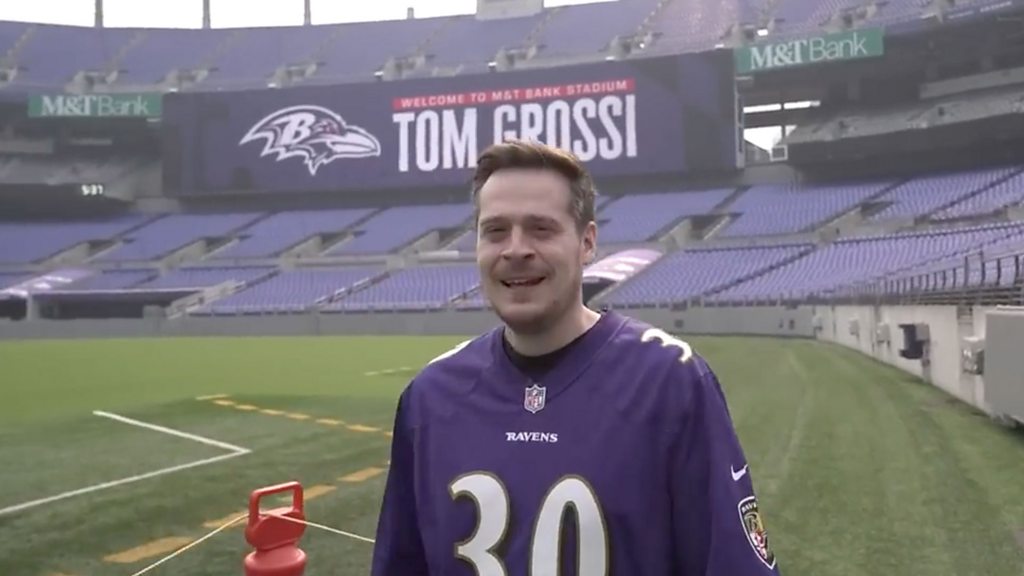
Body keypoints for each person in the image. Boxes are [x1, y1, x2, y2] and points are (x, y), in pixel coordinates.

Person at [371, 139, 781, 575]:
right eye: (495, 231)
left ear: (587, 243)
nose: (515, 249)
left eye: (541, 229)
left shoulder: (669, 382)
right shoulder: (430, 397)